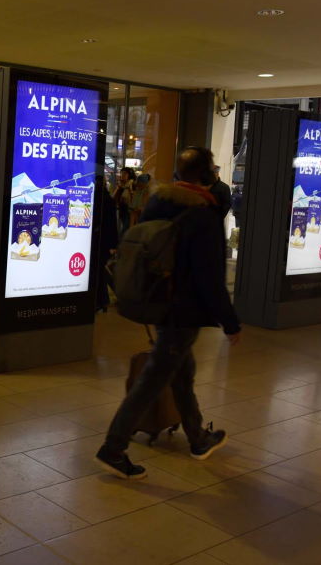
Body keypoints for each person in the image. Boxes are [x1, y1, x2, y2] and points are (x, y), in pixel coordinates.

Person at [95, 147, 241, 480]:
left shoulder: (157, 204)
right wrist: (229, 321)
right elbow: (209, 276)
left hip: (158, 300)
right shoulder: (203, 215)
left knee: (181, 372)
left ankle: (198, 437)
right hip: (182, 309)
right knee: (153, 380)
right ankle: (113, 448)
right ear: (207, 175)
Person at [95, 175, 119, 312]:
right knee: (102, 269)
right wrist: (113, 244)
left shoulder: (97, 199)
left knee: (100, 271)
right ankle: (103, 301)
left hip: (99, 240)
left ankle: (102, 301)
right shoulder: (108, 199)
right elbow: (112, 223)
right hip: (105, 241)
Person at [112, 167, 135, 237]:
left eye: (125, 173)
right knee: (124, 227)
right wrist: (119, 187)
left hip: (130, 211)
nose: (122, 175)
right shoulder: (121, 186)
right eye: (121, 173)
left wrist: (130, 189)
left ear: (129, 175)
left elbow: (134, 199)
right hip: (122, 209)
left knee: (126, 228)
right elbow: (113, 198)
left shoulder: (132, 185)